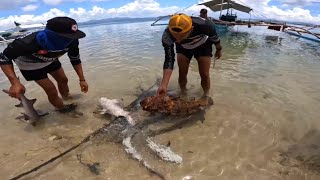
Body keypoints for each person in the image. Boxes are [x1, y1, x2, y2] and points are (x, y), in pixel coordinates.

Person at [0, 17, 88, 112]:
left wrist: (82, 79)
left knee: (63, 80)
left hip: (50, 59)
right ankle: (62, 110)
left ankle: (66, 98)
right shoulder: (27, 43)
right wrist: (14, 82)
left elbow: (75, 58)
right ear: (52, 34)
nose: (69, 40)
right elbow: (4, 57)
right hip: (29, 65)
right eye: (65, 37)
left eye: (71, 36)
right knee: (51, 90)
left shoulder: (72, 40)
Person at [157, 13, 222, 98]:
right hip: (183, 48)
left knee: (205, 74)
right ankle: (183, 93)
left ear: (191, 29)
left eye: (182, 36)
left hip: (203, 44)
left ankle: (206, 95)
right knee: (182, 73)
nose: (178, 40)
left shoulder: (205, 25)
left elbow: (216, 40)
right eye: (175, 36)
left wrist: (219, 50)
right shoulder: (167, 35)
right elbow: (169, 59)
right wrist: (164, 85)